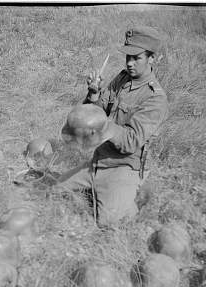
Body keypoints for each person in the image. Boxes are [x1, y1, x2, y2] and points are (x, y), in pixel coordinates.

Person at [56, 26, 169, 228]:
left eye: (137, 58)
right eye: (128, 57)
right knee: (55, 190)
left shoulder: (155, 98)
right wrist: (94, 94)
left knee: (110, 223)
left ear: (152, 58)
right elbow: (97, 112)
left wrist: (102, 124)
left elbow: (131, 142)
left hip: (123, 167)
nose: (130, 63)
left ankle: (135, 195)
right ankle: (100, 192)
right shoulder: (121, 78)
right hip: (99, 162)